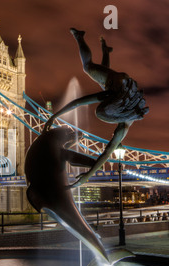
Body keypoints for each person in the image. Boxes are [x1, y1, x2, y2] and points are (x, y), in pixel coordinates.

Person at [44, 28, 149, 187]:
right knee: (88, 67)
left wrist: (88, 175)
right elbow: (79, 102)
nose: (113, 132)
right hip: (120, 83)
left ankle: (106, 51)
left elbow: (107, 152)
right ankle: (80, 36)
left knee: (102, 82)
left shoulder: (123, 118)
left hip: (124, 87)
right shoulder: (118, 112)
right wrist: (54, 116)